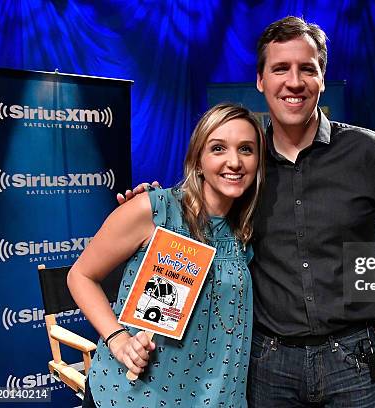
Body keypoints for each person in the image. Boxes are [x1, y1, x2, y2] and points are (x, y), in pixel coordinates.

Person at [125, 16, 375, 408]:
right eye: (280, 68)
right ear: (260, 80)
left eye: (307, 69)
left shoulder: (369, 152)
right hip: (268, 363)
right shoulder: (243, 164)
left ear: (322, 77)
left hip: (353, 358)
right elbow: (189, 210)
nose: (294, 81)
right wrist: (147, 200)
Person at [67, 103, 266, 408]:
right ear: (197, 161)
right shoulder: (154, 210)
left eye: (246, 149)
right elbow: (81, 276)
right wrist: (118, 340)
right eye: (218, 148)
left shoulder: (246, 231)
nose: (234, 161)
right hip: (133, 397)